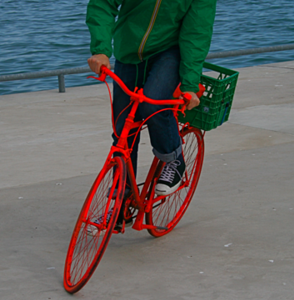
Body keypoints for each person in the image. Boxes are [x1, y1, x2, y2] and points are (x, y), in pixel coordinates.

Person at [86, 0, 217, 196]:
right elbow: (103, 4)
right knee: (123, 130)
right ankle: (123, 201)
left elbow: (196, 34)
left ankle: (174, 159)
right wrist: (101, 49)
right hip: (128, 51)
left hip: (168, 52)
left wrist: (189, 85)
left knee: (152, 105)